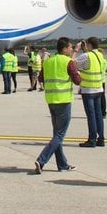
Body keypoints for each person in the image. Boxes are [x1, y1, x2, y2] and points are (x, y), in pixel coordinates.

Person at [34, 37, 81, 174]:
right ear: (64, 49)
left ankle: (62, 165)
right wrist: (78, 73)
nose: (71, 49)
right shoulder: (68, 62)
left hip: (51, 100)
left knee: (57, 134)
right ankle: (41, 160)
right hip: (63, 100)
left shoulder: (48, 61)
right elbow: (77, 81)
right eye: (70, 47)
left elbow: (41, 78)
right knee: (60, 134)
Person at [74, 36, 106, 148]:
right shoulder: (100, 55)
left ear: (90, 45)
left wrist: (76, 50)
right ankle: (101, 138)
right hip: (99, 88)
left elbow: (72, 64)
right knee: (99, 115)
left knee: (91, 115)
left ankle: (92, 139)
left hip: (88, 89)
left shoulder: (86, 56)